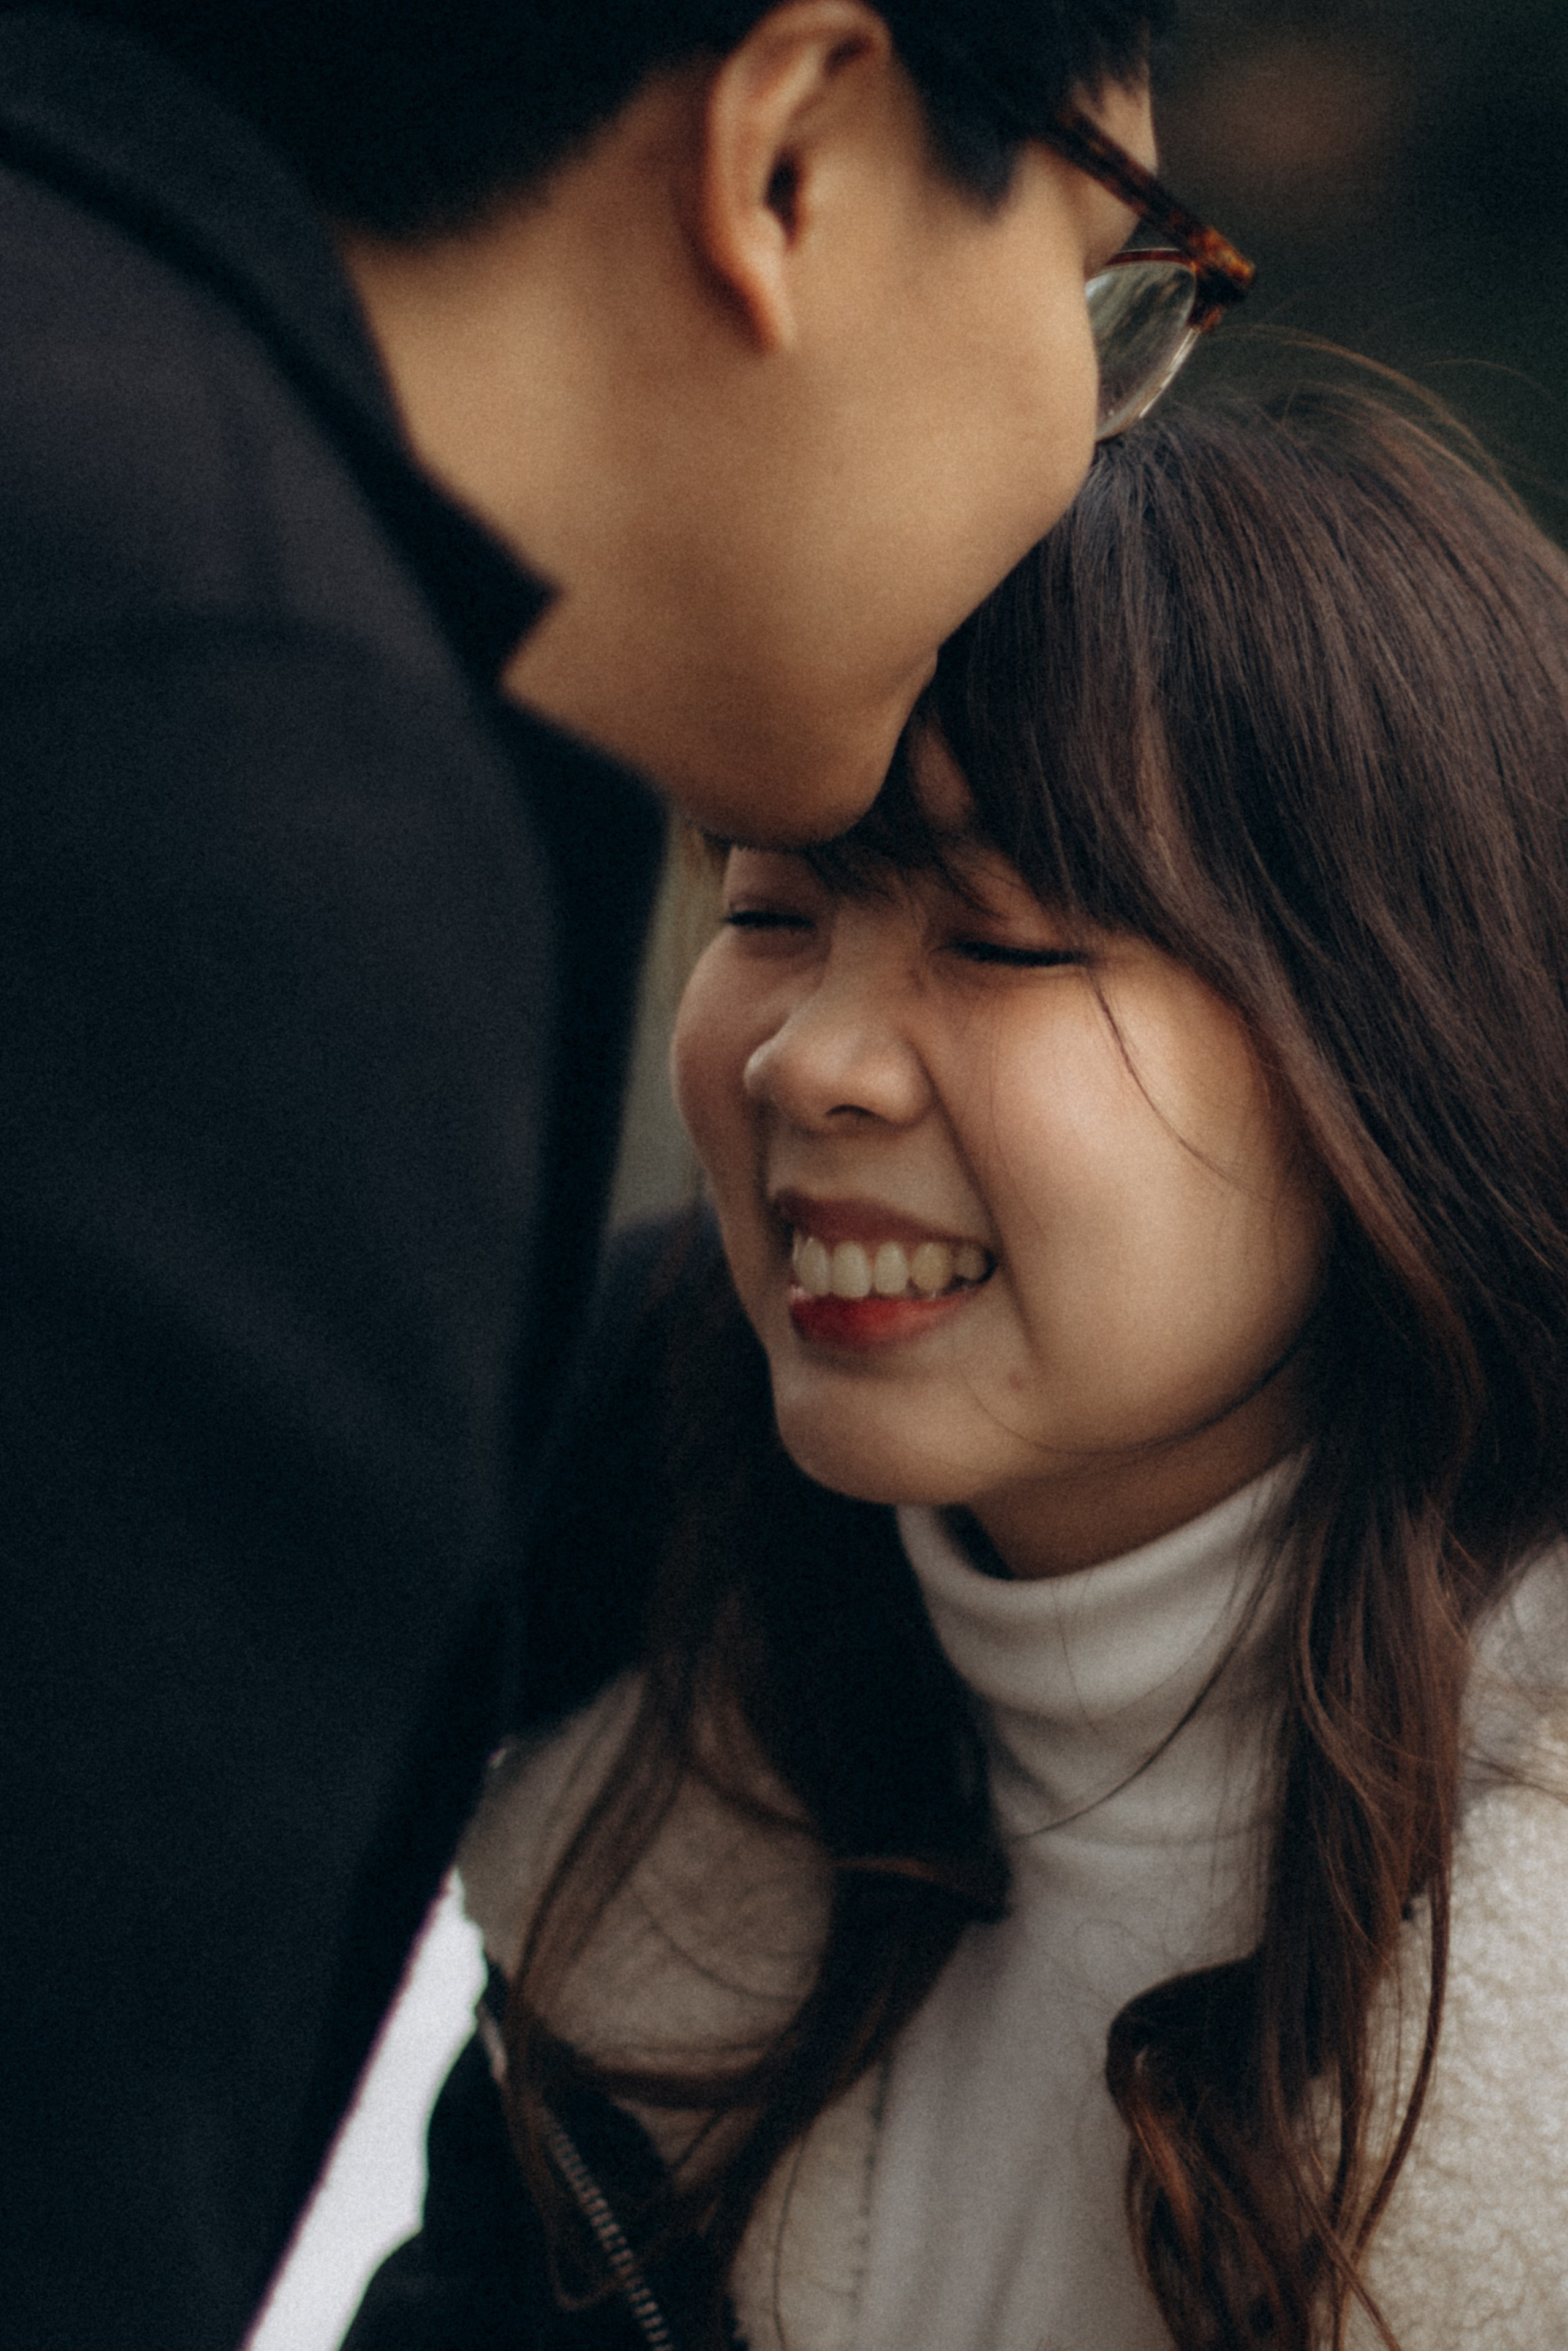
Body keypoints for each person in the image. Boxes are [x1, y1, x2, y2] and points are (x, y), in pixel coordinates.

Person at [0, 3, 1266, 2345]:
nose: (815, 1065)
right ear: (790, 155)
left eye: (1004, 937)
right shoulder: (217, 741)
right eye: (1113, 288)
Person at [363, 389, 1568, 2351]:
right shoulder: (634, 1646)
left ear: (1394, 1044)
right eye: (773, 909)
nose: (809, 1060)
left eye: (1000, 942)